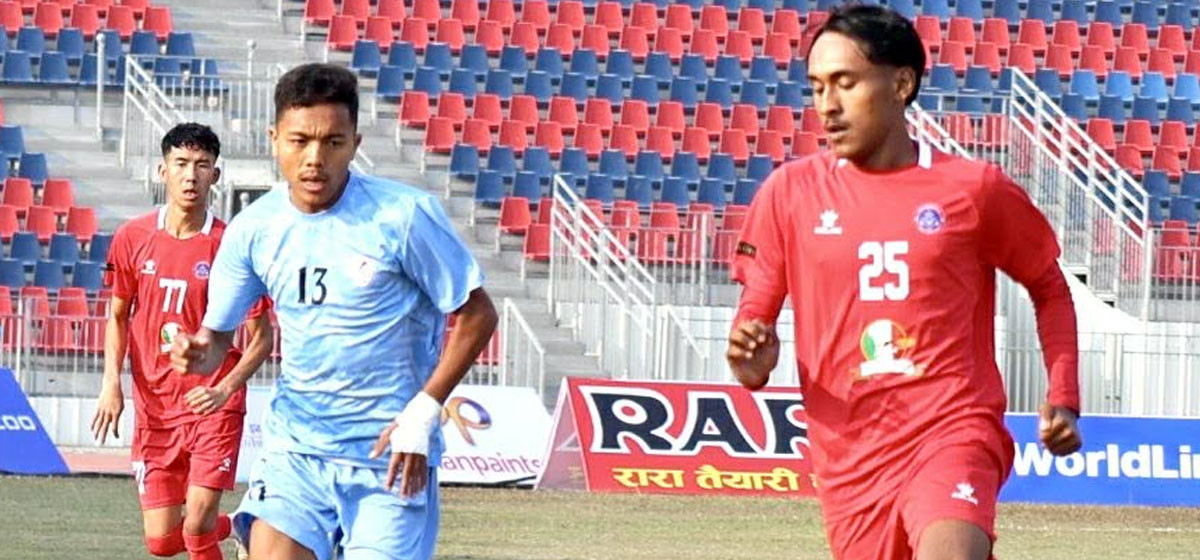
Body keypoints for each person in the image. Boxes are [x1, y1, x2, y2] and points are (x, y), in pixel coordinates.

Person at [725, 5, 1083, 560]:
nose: (827, 104)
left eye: (846, 82)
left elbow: (1049, 286)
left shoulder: (973, 189)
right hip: (850, 459)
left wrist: (1063, 395)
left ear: (901, 84)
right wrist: (750, 359)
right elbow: (753, 328)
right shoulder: (789, 194)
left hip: (952, 429)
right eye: (817, 87)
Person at [168, 63, 498, 560]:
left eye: (333, 142)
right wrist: (200, 351)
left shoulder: (403, 216)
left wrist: (423, 412)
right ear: (274, 139)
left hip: (389, 455)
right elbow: (216, 339)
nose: (314, 159)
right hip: (295, 451)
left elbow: (478, 315)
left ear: (355, 143)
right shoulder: (253, 229)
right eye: (299, 141)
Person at [91, 123, 274, 560]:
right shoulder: (132, 237)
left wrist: (224, 390)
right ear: (163, 170)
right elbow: (117, 315)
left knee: (197, 525)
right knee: (160, 541)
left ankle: (223, 526)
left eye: (202, 165)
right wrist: (111, 383)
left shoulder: (231, 246)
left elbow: (262, 339)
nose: (191, 175)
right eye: (181, 164)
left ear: (216, 175)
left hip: (213, 405)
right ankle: (243, 524)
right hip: (155, 408)